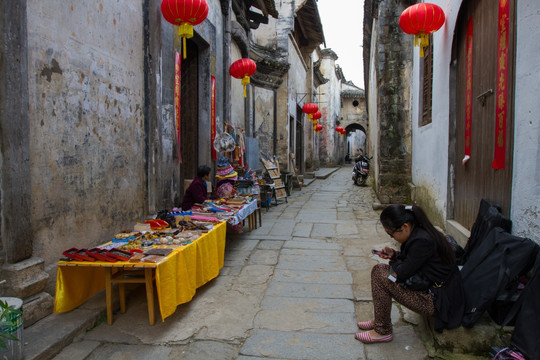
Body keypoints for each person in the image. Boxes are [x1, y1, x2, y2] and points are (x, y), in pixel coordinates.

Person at [355, 204, 464, 343]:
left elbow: (402, 273)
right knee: (380, 271)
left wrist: (394, 261)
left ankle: (382, 330)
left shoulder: (422, 240)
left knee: (380, 274)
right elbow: (413, 261)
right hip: (431, 288)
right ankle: (380, 320)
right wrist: (394, 255)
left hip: (436, 300)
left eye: (391, 234)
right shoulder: (419, 232)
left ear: (405, 227)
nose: (392, 237)